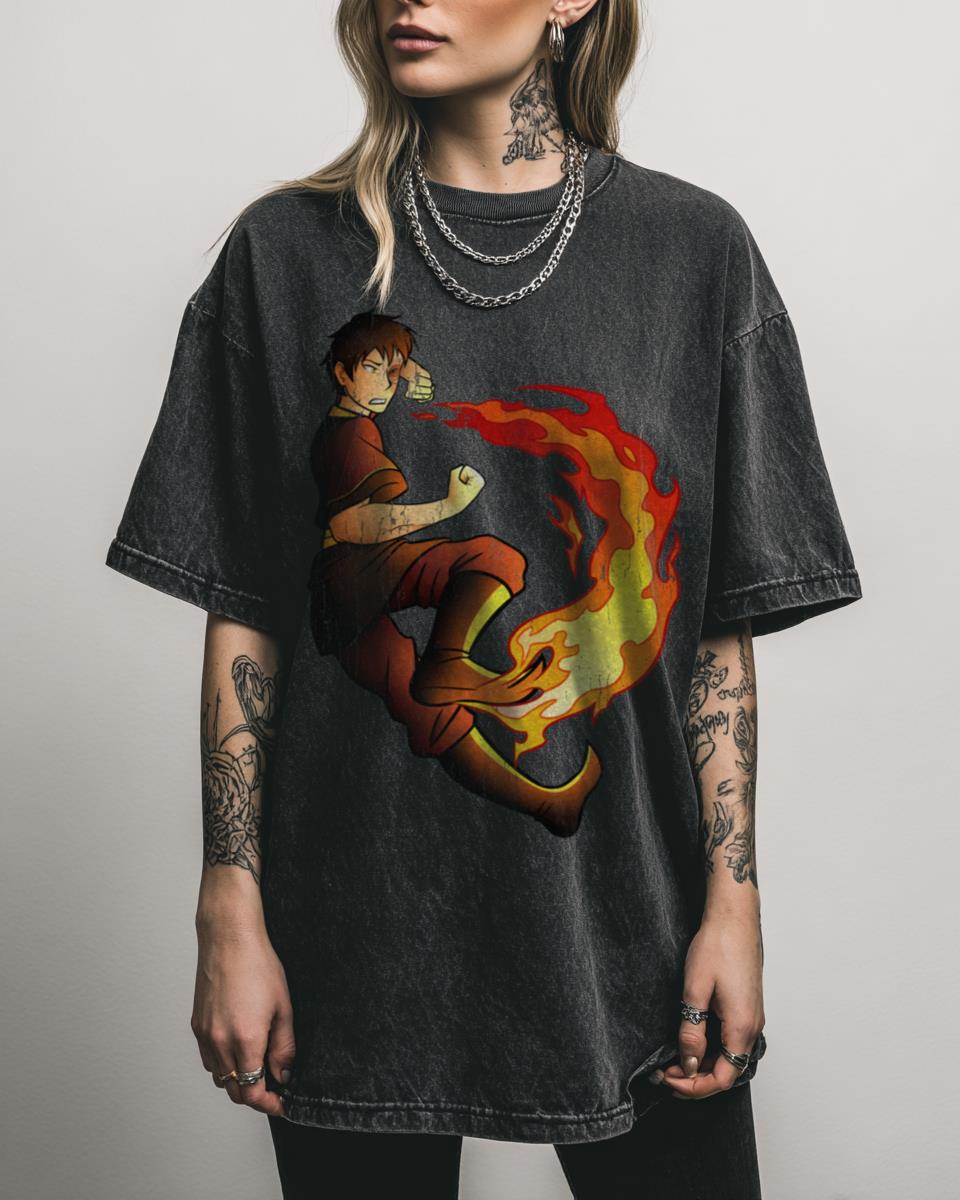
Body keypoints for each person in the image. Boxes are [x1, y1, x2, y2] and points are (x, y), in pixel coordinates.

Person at [104, 0, 863, 1196]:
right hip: (352, 932)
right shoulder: (283, 254)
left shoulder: (694, 253)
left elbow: (716, 635)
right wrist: (229, 904)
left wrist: (734, 901)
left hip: (632, 929)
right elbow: (245, 609)